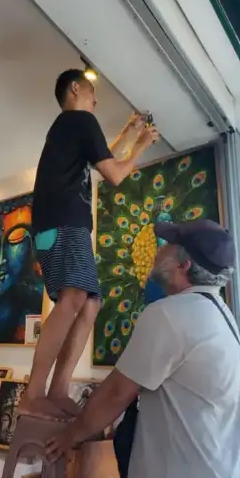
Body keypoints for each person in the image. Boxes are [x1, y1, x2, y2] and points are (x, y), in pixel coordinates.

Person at [46, 219, 240, 478]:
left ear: (183, 264)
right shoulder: (219, 314)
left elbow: (118, 392)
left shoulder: (171, 314)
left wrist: (68, 436)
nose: (157, 251)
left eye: (167, 246)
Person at [25, 68, 159, 418]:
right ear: (74, 88)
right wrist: (143, 144)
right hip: (64, 222)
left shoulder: (70, 129)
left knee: (90, 304)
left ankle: (57, 390)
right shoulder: (79, 120)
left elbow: (103, 161)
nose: (97, 99)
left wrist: (130, 132)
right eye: (91, 91)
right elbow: (114, 174)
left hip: (59, 225)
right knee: (74, 297)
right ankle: (34, 392)